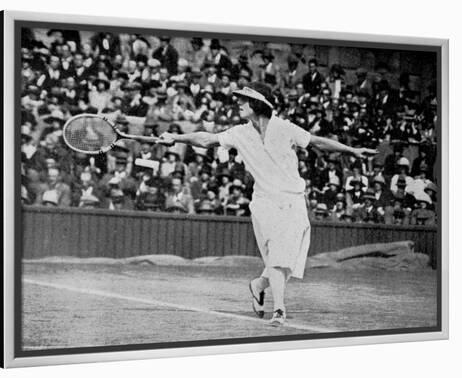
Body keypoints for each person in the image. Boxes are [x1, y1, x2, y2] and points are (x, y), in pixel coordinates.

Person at [159, 82, 375, 326]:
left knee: (288, 261)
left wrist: (352, 150)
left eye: (243, 99)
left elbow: (317, 141)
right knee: (277, 256)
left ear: (257, 103)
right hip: (265, 202)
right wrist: (176, 137)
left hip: (294, 200)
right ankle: (280, 310)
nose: (238, 103)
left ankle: (259, 284)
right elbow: (207, 140)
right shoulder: (239, 133)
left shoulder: (285, 128)